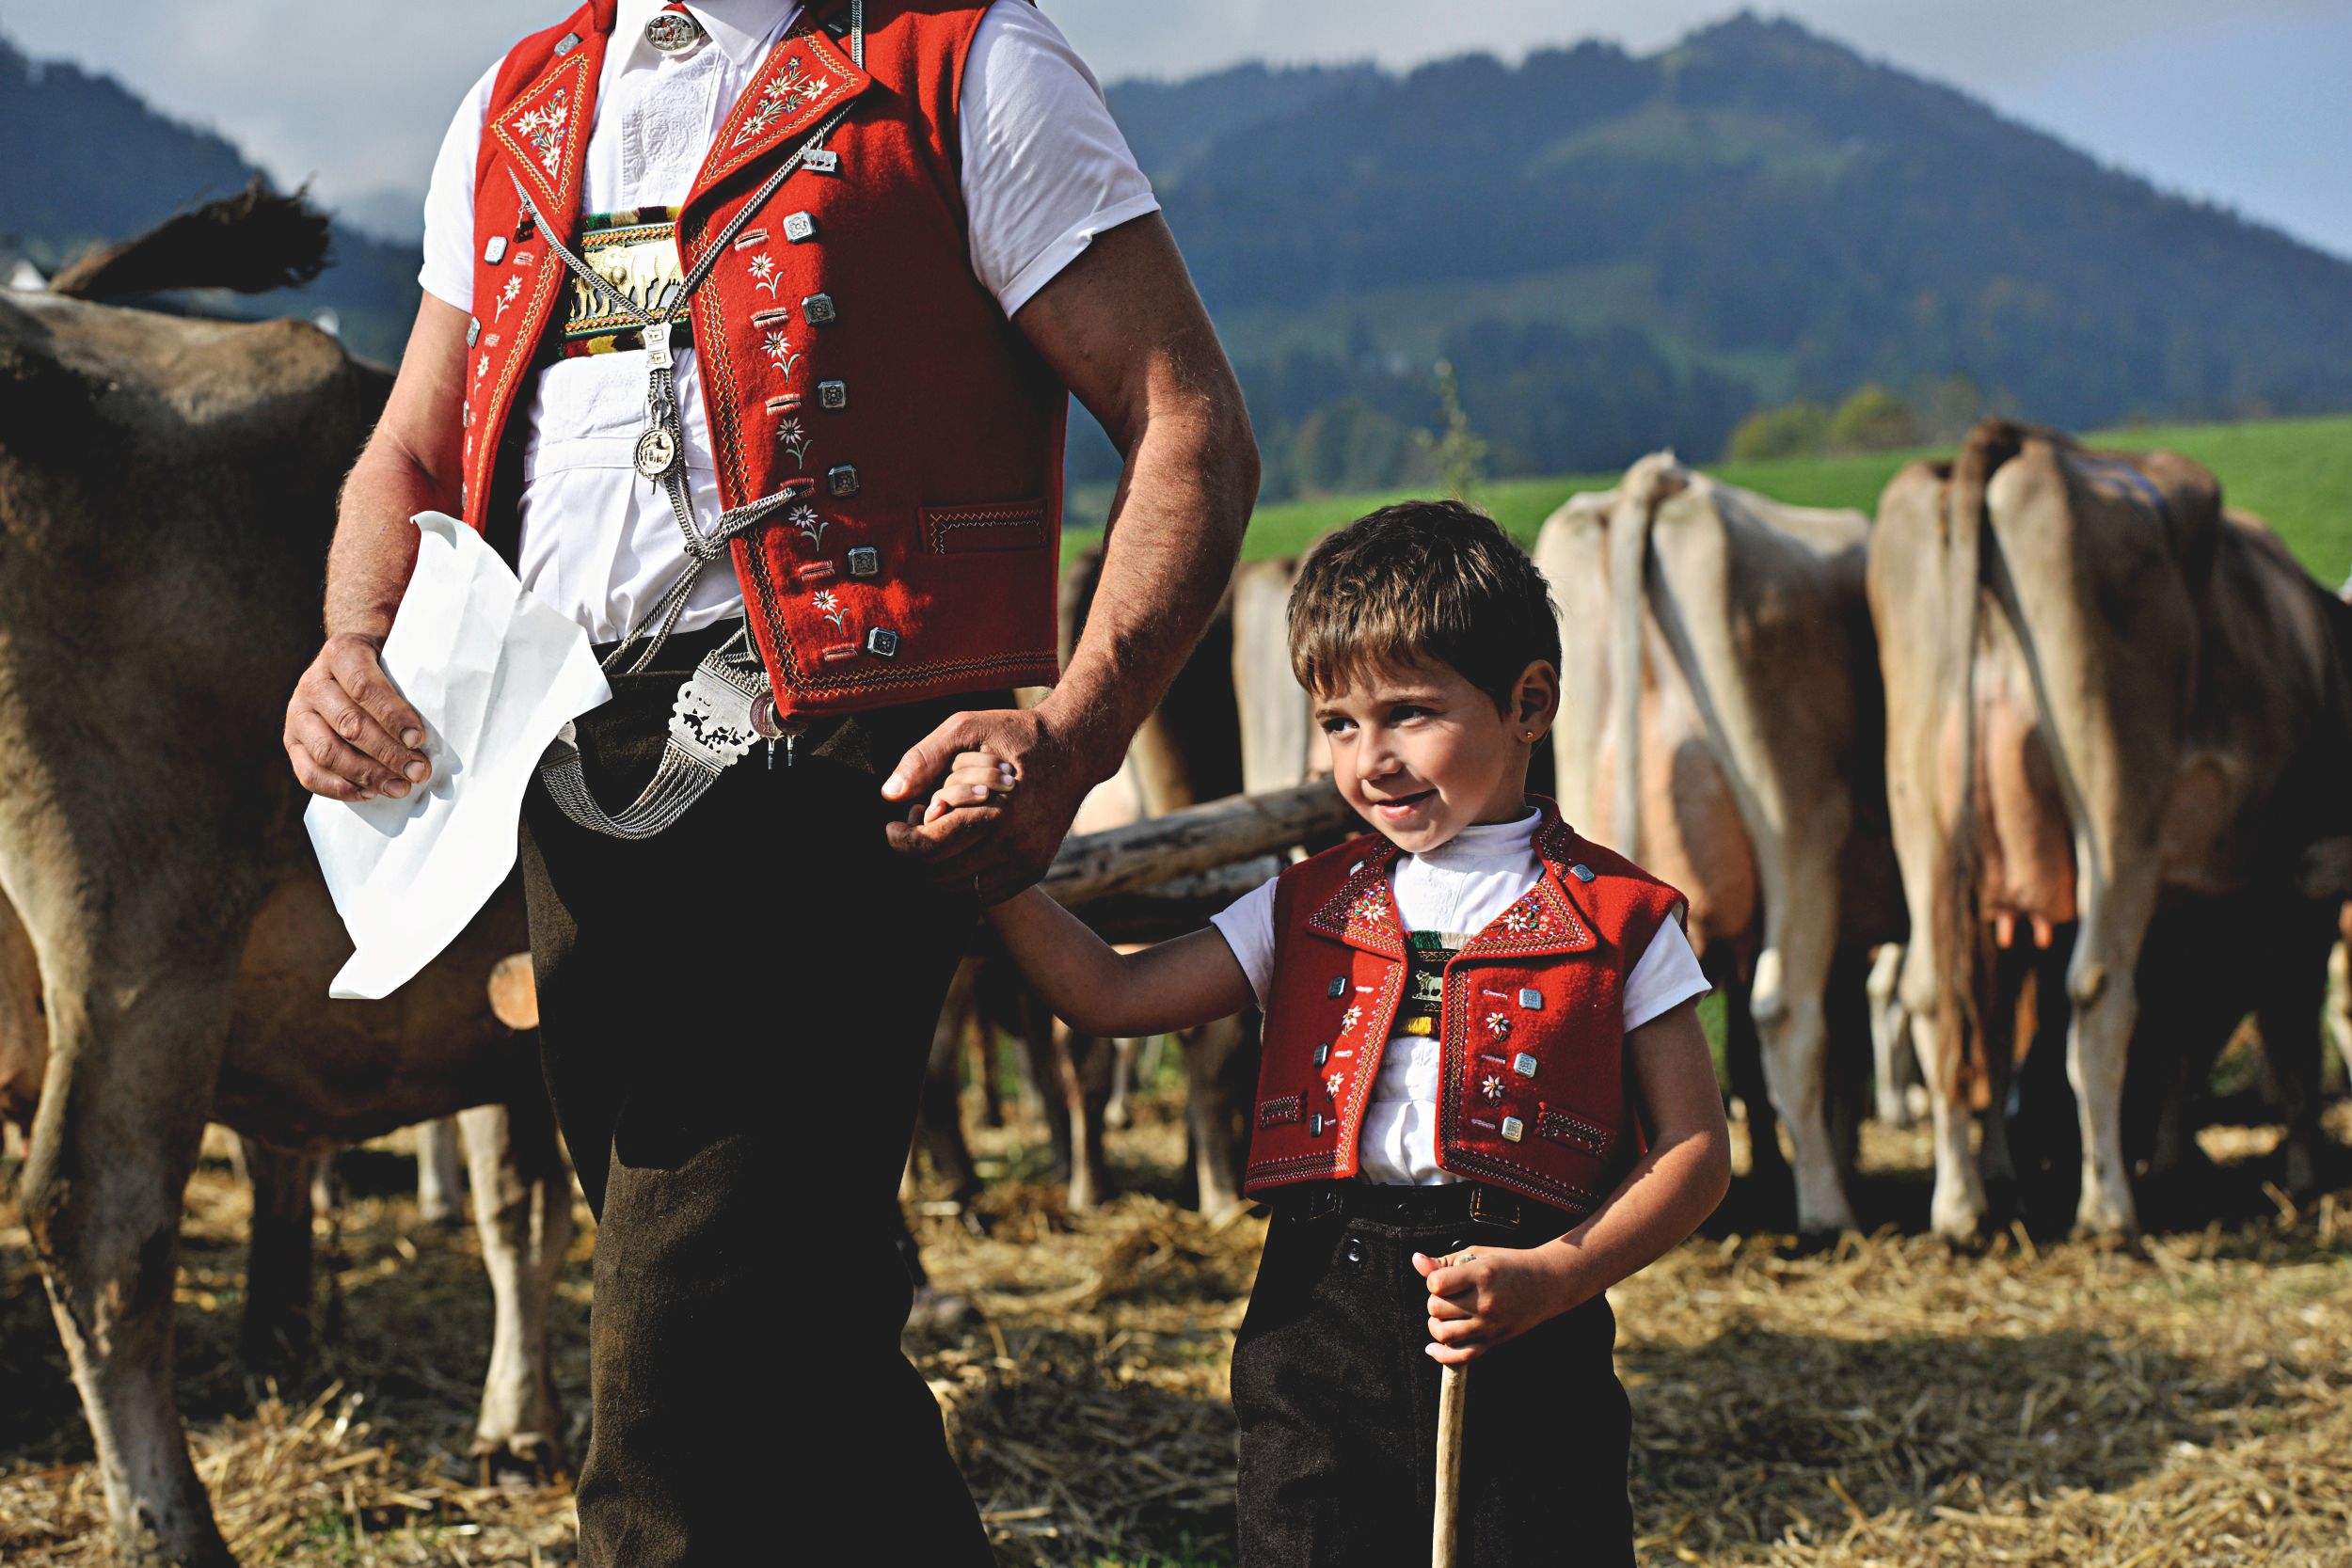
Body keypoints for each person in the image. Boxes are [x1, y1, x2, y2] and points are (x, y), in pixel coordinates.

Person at [281, 3, 1256, 1562]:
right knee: (796, 1341)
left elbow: (1187, 417)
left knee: (674, 1361)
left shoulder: (965, 63)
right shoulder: (521, 99)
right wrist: (348, 641)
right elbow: (412, 447)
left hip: (834, 755)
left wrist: (1071, 737)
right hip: (570, 774)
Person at [949, 500, 1732, 1565]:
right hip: (1314, 1313)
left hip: (1527, 1323)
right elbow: (1108, 993)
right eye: (1338, 724)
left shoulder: (1620, 915)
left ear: (1528, 701)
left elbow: (1694, 1151)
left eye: (1408, 712)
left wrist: (1556, 1274)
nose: (1371, 759)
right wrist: (993, 872)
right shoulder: (1302, 903)